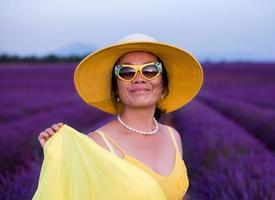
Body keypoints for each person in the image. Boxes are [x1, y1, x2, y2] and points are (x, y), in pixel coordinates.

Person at [33, 33, 204, 200]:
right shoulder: (98, 144)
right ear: (116, 89)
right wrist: (58, 154)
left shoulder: (173, 136)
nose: (139, 78)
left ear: (163, 86)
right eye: (127, 72)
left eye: (150, 70)